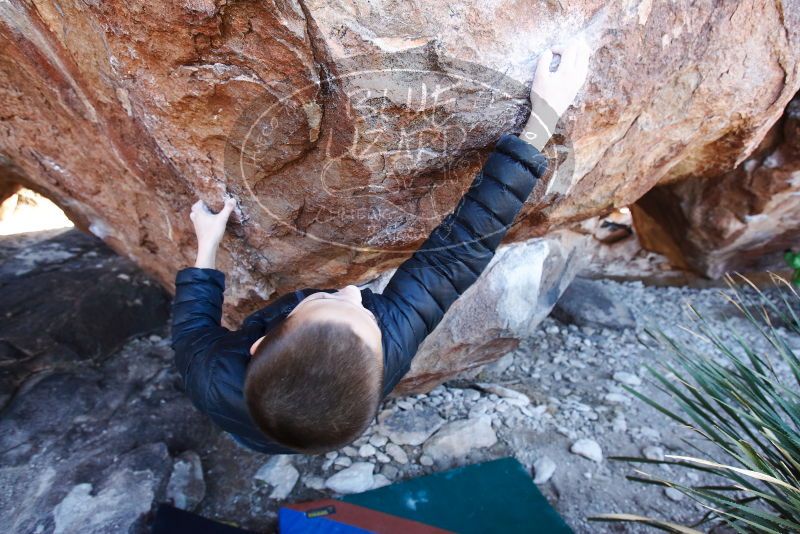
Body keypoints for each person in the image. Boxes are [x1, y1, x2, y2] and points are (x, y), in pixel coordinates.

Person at [171, 39, 591, 455]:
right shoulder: (387, 350)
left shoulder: (209, 376)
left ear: (258, 347)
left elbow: (192, 325)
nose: (355, 291)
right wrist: (542, 120)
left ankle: (274, 438)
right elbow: (456, 254)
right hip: (305, 428)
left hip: (242, 417)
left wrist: (205, 248)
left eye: (327, 299)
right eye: (363, 314)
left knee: (262, 432)